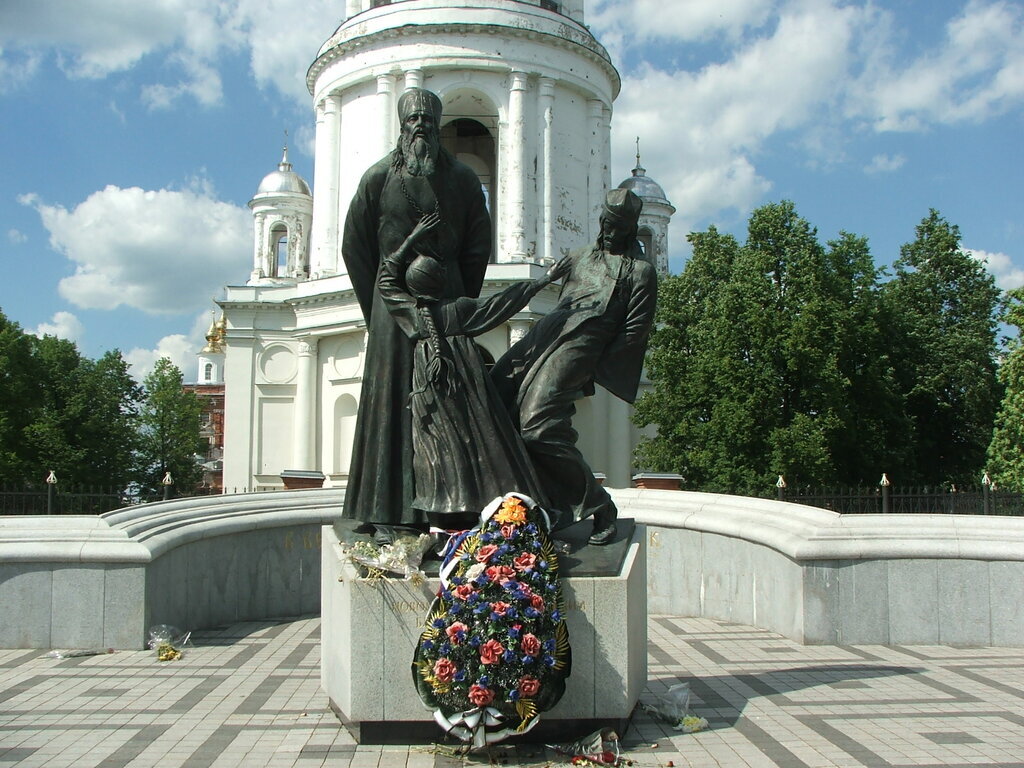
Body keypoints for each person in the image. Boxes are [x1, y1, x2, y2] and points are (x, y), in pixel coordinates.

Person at [341, 88, 491, 530]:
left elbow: (477, 245)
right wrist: (381, 304)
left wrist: (458, 296)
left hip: (445, 301)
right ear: (402, 126)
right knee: (389, 405)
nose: (420, 127)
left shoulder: (462, 180)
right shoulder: (378, 178)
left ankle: (450, 505)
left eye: (428, 120)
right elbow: (355, 246)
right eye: (413, 121)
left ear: (438, 126)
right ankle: (388, 509)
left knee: (450, 401)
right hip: (391, 310)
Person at [377, 212, 570, 529]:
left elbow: (386, 277)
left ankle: (444, 519)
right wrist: (544, 280)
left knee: (435, 450)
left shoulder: (410, 315)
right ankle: (501, 508)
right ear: (439, 283)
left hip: (429, 390)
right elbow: (503, 303)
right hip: (465, 386)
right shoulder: (460, 310)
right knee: (484, 441)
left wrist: (410, 239)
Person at [491, 188, 657, 545]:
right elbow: (538, 286)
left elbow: (635, 331)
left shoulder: (640, 273)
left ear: (629, 230)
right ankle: (531, 504)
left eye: (618, 227)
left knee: (537, 428)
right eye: (606, 224)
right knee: (492, 396)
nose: (610, 232)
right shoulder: (579, 256)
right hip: (546, 335)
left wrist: (593, 367)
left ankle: (599, 506)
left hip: (583, 347)